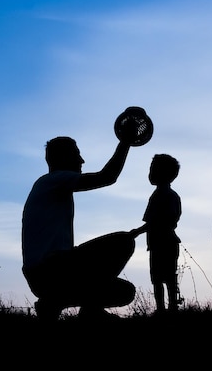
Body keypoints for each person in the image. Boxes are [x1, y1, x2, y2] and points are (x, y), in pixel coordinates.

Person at [21, 135, 137, 321]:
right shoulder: (54, 180)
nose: (82, 160)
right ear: (63, 158)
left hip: (45, 275)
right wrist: (125, 142)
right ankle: (88, 310)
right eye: (77, 154)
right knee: (123, 241)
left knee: (125, 291)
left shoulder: (48, 185)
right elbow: (107, 177)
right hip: (50, 271)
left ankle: (53, 303)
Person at [130, 154, 182, 314]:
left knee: (164, 278)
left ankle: (168, 308)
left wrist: (137, 231)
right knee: (160, 278)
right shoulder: (163, 195)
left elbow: (156, 221)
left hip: (164, 242)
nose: (150, 173)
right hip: (158, 242)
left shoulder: (163, 195)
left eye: (154, 169)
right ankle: (163, 309)